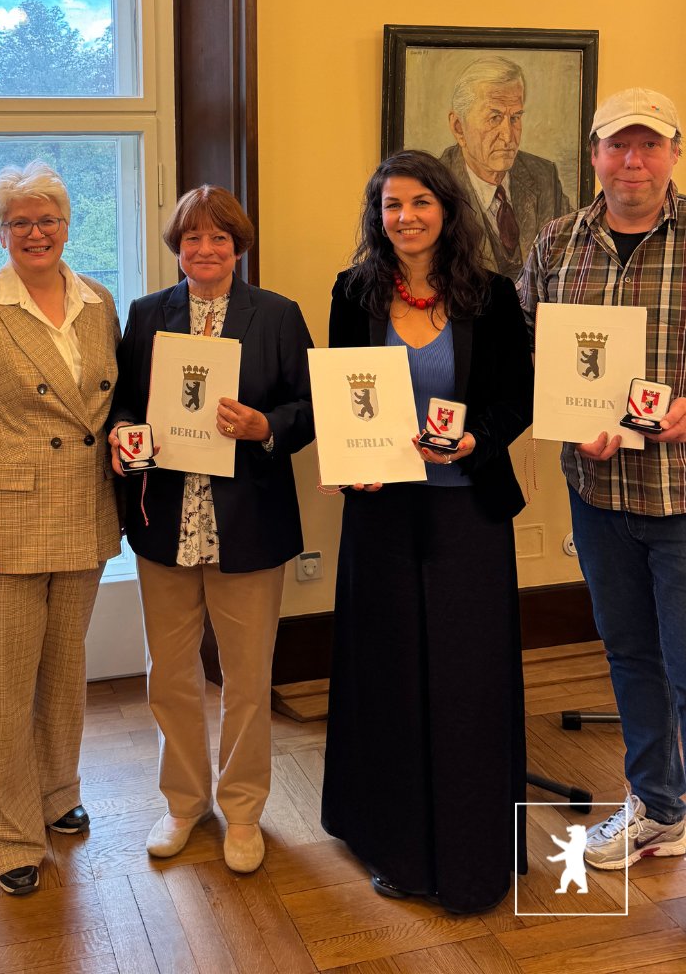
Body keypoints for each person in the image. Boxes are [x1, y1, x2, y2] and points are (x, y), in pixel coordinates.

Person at [322, 149, 533, 913]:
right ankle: (396, 845)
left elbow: (516, 399)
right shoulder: (354, 294)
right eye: (390, 206)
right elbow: (341, 394)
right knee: (390, 674)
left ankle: (477, 850)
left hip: (467, 512)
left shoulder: (494, 297)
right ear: (378, 218)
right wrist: (352, 459)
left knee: (468, 682)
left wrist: (476, 438)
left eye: (419, 203)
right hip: (381, 512)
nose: (404, 217)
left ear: (446, 209)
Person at [108, 185, 314, 874]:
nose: (204, 249)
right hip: (166, 521)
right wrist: (126, 436)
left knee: (248, 677)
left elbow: (309, 407)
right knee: (169, 674)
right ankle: (184, 801)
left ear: (237, 246)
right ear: (177, 247)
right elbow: (125, 408)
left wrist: (266, 427)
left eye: (218, 238)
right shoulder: (145, 316)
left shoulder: (277, 316)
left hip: (247, 523)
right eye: (192, 238)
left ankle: (246, 809)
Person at [0, 161, 120, 896]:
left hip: (80, 511)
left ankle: (55, 794)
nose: (36, 232)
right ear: (0, 230)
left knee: (63, 673)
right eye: (20, 221)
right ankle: (8, 836)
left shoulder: (98, 300)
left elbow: (111, 402)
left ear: (68, 225)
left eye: (49, 220)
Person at [517, 87, 686, 871]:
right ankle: (659, 808)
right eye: (619, 145)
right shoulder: (556, 244)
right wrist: (560, 410)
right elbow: (525, 349)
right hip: (597, 497)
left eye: (650, 145)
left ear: (673, 154)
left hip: (682, 496)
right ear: (594, 156)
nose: (633, 160)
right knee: (629, 654)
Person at [441, 55, 572, 276]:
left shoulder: (544, 176)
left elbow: (570, 262)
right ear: (459, 128)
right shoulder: (435, 185)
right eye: (494, 118)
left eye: (515, 118)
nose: (508, 136)